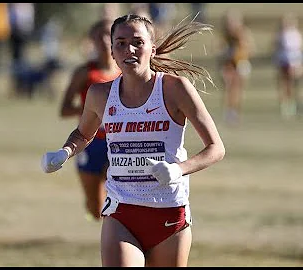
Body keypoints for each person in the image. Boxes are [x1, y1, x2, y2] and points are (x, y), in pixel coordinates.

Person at [41, 14, 225, 266]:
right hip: (122, 211)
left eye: (138, 42)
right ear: (112, 52)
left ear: (152, 48)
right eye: (121, 43)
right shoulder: (100, 94)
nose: (129, 49)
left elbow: (216, 148)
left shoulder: (175, 89)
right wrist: (63, 152)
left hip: (169, 213)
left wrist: (177, 170)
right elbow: (83, 134)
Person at [59, 18, 121, 221]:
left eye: (108, 35)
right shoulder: (85, 72)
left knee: (118, 194)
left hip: (119, 143)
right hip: (90, 143)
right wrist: (91, 110)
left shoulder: (127, 71)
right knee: (95, 207)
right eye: (99, 35)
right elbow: (64, 109)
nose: (104, 40)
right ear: (92, 40)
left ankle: (119, 237)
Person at [219, 9, 253, 125]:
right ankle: (229, 112)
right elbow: (221, 49)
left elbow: (248, 49)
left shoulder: (242, 33)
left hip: (240, 63)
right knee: (229, 88)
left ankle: (235, 111)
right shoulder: (226, 35)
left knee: (238, 89)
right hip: (229, 64)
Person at [273, 13, 302, 119]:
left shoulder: (296, 34)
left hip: (294, 62)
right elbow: (277, 48)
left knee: (292, 84)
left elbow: (298, 49)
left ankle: (292, 105)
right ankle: (285, 105)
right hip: (283, 61)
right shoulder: (280, 35)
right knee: (284, 84)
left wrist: (298, 64)